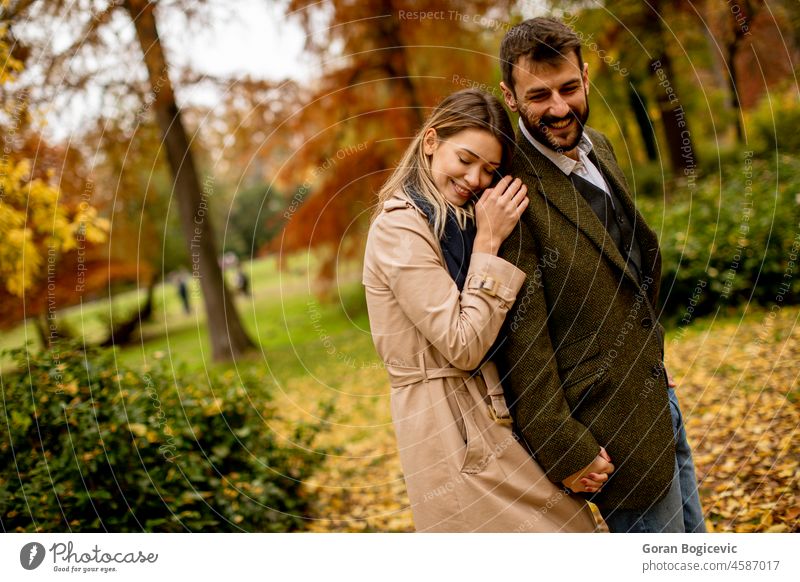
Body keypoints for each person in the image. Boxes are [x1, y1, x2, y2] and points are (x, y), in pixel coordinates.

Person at [494, 17, 706, 533]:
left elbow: (626, 264)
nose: (560, 108)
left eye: (569, 88)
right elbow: (523, 339)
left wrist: (649, 352)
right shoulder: (510, 192)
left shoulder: (601, 148)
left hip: (657, 392)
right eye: (539, 95)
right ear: (510, 96)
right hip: (606, 433)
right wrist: (565, 447)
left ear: (586, 77)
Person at [362, 89, 597, 532]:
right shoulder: (400, 226)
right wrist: (489, 244)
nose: (475, 179)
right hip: (446, 426)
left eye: (489, 170)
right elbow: (462, 343)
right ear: (431, 141)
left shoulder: (460, 218)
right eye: (466, 159)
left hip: (491, 411)